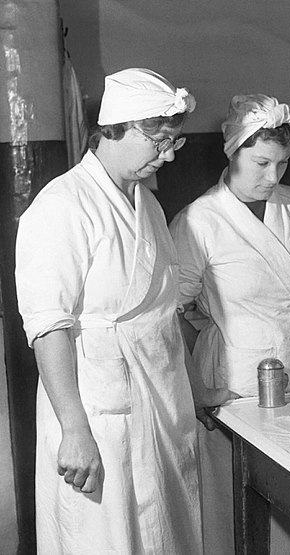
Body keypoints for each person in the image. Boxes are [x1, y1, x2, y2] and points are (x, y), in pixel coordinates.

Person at [169, 93, 290, 553]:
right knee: (240, 504)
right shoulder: (200, 220)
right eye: (261, 163)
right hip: (236, 382)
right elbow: (171, 315)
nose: (272, 176)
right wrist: (197, 390)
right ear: (232, 152)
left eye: (281, 164)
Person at [15, 68, 202, 553]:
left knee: (165, 530)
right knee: (106, 535)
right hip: (99, 406)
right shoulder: (63, 205)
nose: (167, 155)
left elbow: (163, 310)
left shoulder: (147, 204)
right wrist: (74, 430)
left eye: (173, 143)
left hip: (161, 395)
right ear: (116, 129)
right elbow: (47, 325)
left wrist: (196, 390)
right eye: (158, 141)